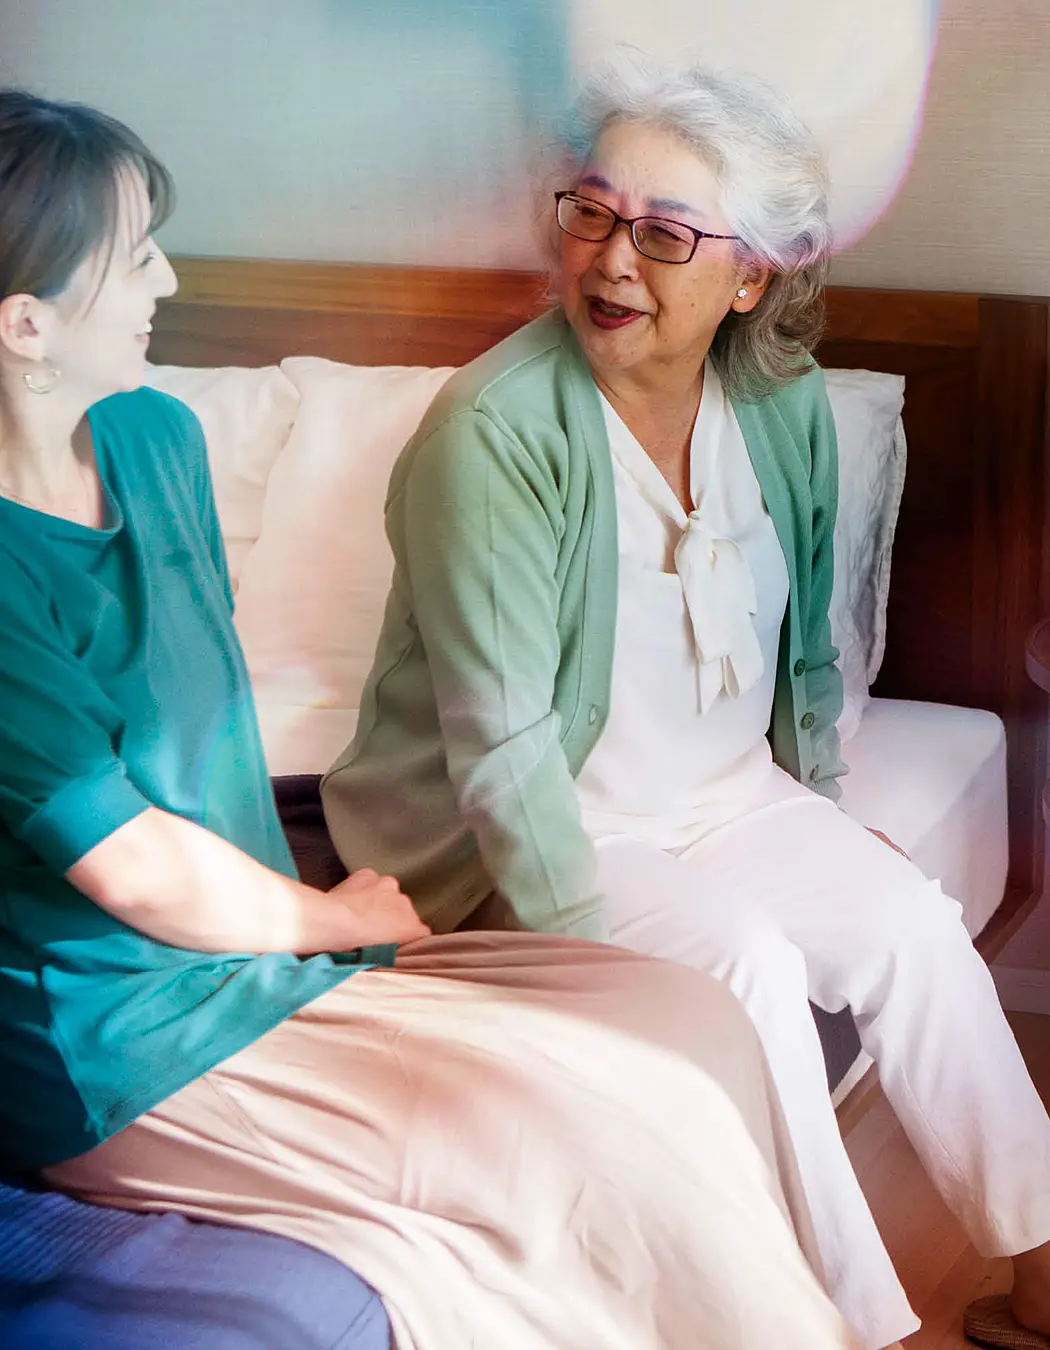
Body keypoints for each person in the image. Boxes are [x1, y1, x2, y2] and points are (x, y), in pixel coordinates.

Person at [324, 54, 1050, 1350]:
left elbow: (807, 667)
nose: (614, 261)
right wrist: (573, 964)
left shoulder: (779, 406)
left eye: (667, 234)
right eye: (595, 213)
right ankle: (843, 1325)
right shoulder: (492, 434)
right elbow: (499, 753)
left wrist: (826, 822)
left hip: (728, 796)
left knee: (910, 923)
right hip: (550, 825)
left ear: (750, 275)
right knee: (753, 972)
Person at [0, 89, 855, 1350]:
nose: (169, 278)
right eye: (136, 256)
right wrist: (326, 914)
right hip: (118, 1045)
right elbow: (128, 856)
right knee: (609, 1126)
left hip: (259, 958)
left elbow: (191, 756)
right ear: (27, 325)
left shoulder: (154, 439)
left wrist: (302, 929)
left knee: (699, 1023)